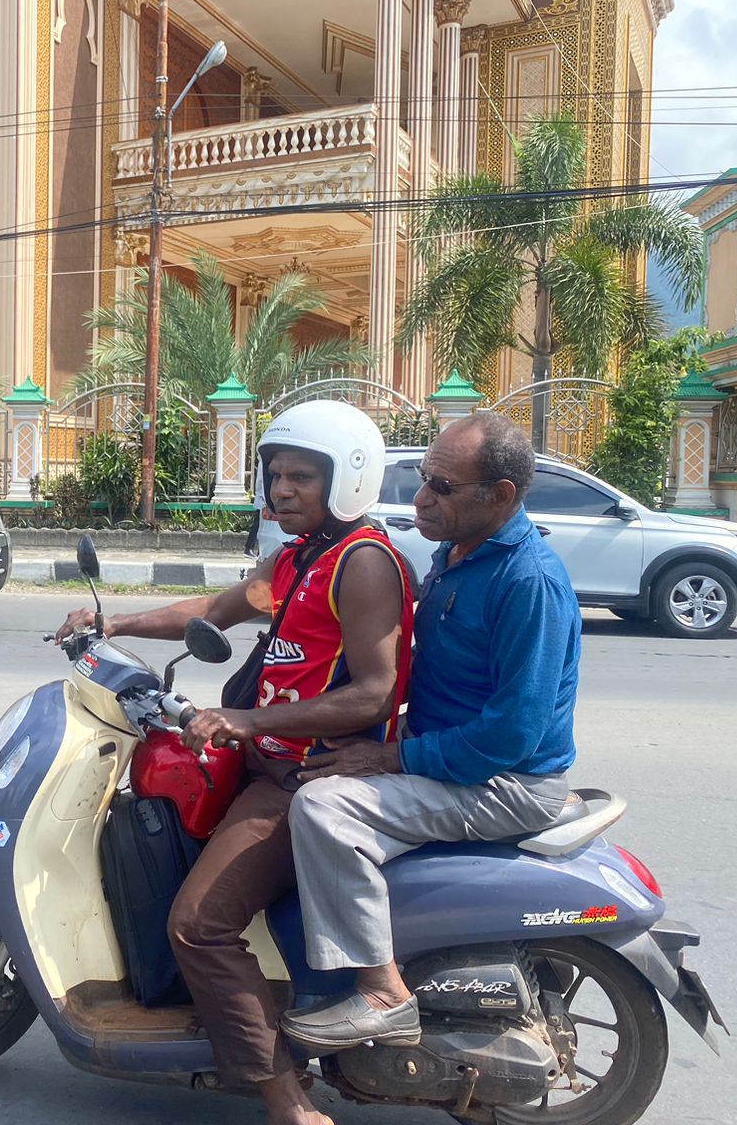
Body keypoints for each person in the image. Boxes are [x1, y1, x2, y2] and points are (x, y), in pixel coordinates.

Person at [54, 401, 412, 1125]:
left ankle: (287, 1102)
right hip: (265, 763)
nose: (283, 491)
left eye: (302, 477)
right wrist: (112, 622)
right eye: (276, 475)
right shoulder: (300, 558)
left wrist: (247, 719)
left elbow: (374, 693)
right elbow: (215, 610)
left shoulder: (363, 564)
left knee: (198, 925)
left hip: (301, 780)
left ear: (348, 480)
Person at [280, 411, 580, 1055]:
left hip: (507, 781)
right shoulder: (458, 557)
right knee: (323, 765)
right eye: (423, 479)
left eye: (443, 487)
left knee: (325, 808)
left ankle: (382, 992)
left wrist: (391, 756)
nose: (421, 498)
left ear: (499, 495)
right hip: (458, 755)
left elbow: (511, 734)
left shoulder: (528, 580)